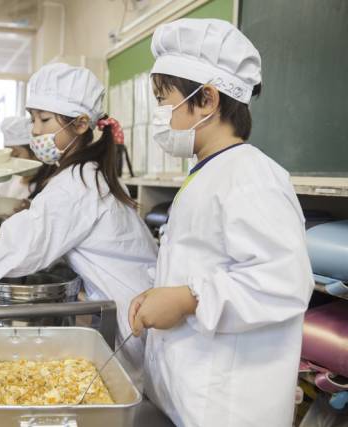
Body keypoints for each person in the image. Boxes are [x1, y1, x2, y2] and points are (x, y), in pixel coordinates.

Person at [0, 63, 158, 389]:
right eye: (33, 118)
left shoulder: (77, 183)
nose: (34, 131)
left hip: (134, 318)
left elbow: (20, 247)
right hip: (133, 310)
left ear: (80, 124)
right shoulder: (83, 175)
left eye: (44, 120)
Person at [127, 19, 314, 427]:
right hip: (189, 397)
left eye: (164, 99)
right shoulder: (209, 172)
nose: (159, 114)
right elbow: (209, 266)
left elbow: (283, 281)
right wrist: (164, 292)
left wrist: (187, 298)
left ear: (207, 99)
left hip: (229, 407)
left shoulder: (251, 177)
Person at [0, 116, 51, 213]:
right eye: (9, 155)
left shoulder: (49, 182)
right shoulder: (13, 177)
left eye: (17, 154)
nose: (12, 160)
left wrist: (31, 209)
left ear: (35, 152)